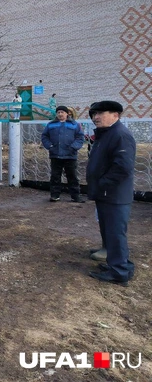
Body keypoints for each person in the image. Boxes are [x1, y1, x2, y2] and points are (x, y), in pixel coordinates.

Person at [86, 101, 136, 286]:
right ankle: (119, 265)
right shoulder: (107, 134)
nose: (95, 117)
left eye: (100, 113)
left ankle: (119, 272)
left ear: (115, 115)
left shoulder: (120, 135)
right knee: (110, 233)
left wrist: (102, 184)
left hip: (114, 195)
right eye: (93, 114)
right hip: (106, 194)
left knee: (115, 233)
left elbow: (123, 168)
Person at [41, 105, 85, 202]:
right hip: (55, 155)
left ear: (67, 113)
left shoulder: (74, 125)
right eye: (58, 112)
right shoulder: (51, 125)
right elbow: (44, 137)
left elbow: (80, 137)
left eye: (62, 112)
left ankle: (75, 196)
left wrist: (73, 147)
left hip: (70, 155)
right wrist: (50, 146)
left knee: (72, 176)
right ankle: (55, 195)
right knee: (55, 176)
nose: (60, 114)